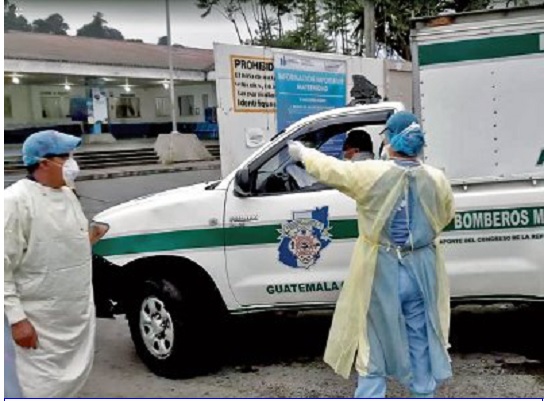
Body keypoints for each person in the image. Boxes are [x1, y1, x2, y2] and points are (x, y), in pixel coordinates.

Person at [288, 111, 455, 398]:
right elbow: (446, 217)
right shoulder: (436, 178)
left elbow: (331, 169)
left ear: (391, 140)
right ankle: (423, 393)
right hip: (422, 271)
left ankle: (372, 394)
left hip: (382, 270)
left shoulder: (371, 174)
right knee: (421, 337)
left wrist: (302, 153)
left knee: (373, 342)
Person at [4, 130, 96, 398]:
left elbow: (59, 243)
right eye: (65, 157)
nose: (72, 163)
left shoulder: (67, 195)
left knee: (74, 384)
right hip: (40, 321)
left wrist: (89, 238)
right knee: (41, 387)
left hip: (74, 316)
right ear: (43, 162)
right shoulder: (14, 201)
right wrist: (17, 319)